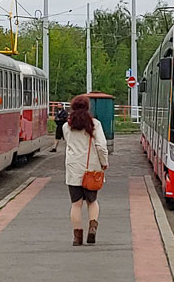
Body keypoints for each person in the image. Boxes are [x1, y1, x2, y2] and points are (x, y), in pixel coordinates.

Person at [63, 95, 109, 246]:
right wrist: (104, 163)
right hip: (91, 169)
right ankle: (93, 229)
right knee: (92, 201)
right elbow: (101, 146)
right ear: (88, 108)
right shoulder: (95, 124)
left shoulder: (66, 127)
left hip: (73, 169)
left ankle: (77, 237)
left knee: (76, 204)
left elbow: (69, 144)